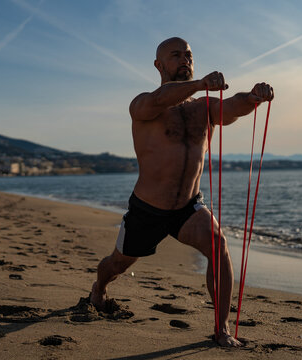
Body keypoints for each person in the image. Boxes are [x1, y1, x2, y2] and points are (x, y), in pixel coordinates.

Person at [90, 37, 274, 347]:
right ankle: (98, 287)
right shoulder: (143, 103)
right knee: (118, 264)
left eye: (188, 54)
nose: (184, 59)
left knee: (218, 245)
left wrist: (255, 96)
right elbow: (161, 100)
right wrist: (201, 83)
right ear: (159, 65)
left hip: (188, 207)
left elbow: (231, 107)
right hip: (147, 208)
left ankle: (221, 328)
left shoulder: (204, 107)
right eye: (176, 55)